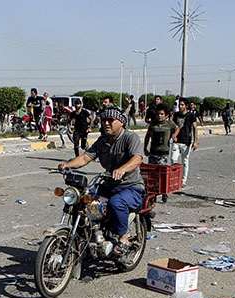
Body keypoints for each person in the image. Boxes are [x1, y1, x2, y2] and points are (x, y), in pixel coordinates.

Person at [58, 107, 145, 256]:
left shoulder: (130, 138)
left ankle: (123, 238)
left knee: (116, 203)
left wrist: (122, 169)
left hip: (131, 187)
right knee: (82, 199)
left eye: (111, 120)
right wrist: (67, 164)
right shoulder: (102, 141)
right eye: (104, 120)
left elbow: (137, 158)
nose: (106, 123)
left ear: (121, 122)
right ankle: (82, 238)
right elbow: (85, 158)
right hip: (108, 185)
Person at [143, 104, 178, 202]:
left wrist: (174, 135)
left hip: (164, 153)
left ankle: (164, 193)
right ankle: (152, 194)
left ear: (166, 115)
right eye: (158, 114)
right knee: (152, 175)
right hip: (153, 152)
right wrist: (145, 148)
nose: (159, 116)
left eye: (162, 114)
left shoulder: (169, 124)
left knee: (162, 174)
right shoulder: (153, 124)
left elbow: (177, 128)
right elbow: (148, 135)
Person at [171, 97, 197, 187]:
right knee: (173, 159)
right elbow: (173, 126)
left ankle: (183, 180)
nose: (180, 106)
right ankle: (174, 178)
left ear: (186, 106)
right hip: (177, 141)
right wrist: (173, 135)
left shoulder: (191, 115)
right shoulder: (176, 115)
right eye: (179, 105)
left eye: (182, 105)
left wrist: (195, 141)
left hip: (186, 141)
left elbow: (195, 128)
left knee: (185, 161)